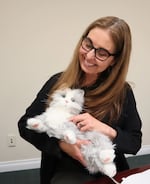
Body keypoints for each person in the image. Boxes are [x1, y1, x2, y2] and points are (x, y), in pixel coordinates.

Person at [18, 16, 142, 184]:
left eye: (102, 53)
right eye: (88, 44)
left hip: (107, 171)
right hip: (62, 171)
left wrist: (105, 129)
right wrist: (62, 145)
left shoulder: (123, 92)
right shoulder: (57, 82)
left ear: (115, 60)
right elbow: (25, 125)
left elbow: (134, 143)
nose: (89, 55)